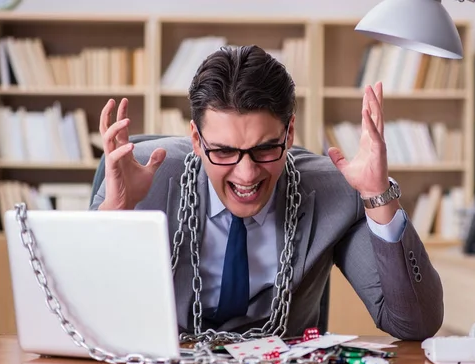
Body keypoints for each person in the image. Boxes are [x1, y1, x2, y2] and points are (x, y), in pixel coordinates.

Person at [90, 45, 443, 341]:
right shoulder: (140, 174)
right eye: (224, 151)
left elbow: (414, 324)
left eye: (264, 148)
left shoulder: (336, 191)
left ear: (289, 133)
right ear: (196, 140)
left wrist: (378, 195)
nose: (246, 173)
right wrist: (116, 212)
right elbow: (78, 315)